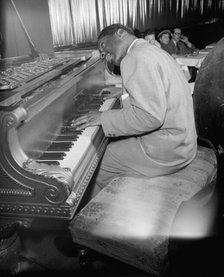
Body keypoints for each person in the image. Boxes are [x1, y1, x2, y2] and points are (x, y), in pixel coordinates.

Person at [71, 23, 197, 195]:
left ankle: (120, 209)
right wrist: (121, 94)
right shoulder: (151, 51)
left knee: (95, 164)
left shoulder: (134, 57)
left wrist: (103, 117)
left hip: (167, 150)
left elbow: (149, 117)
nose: (105, 57)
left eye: (104, 47)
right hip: (185, 143)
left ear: (121, 33)